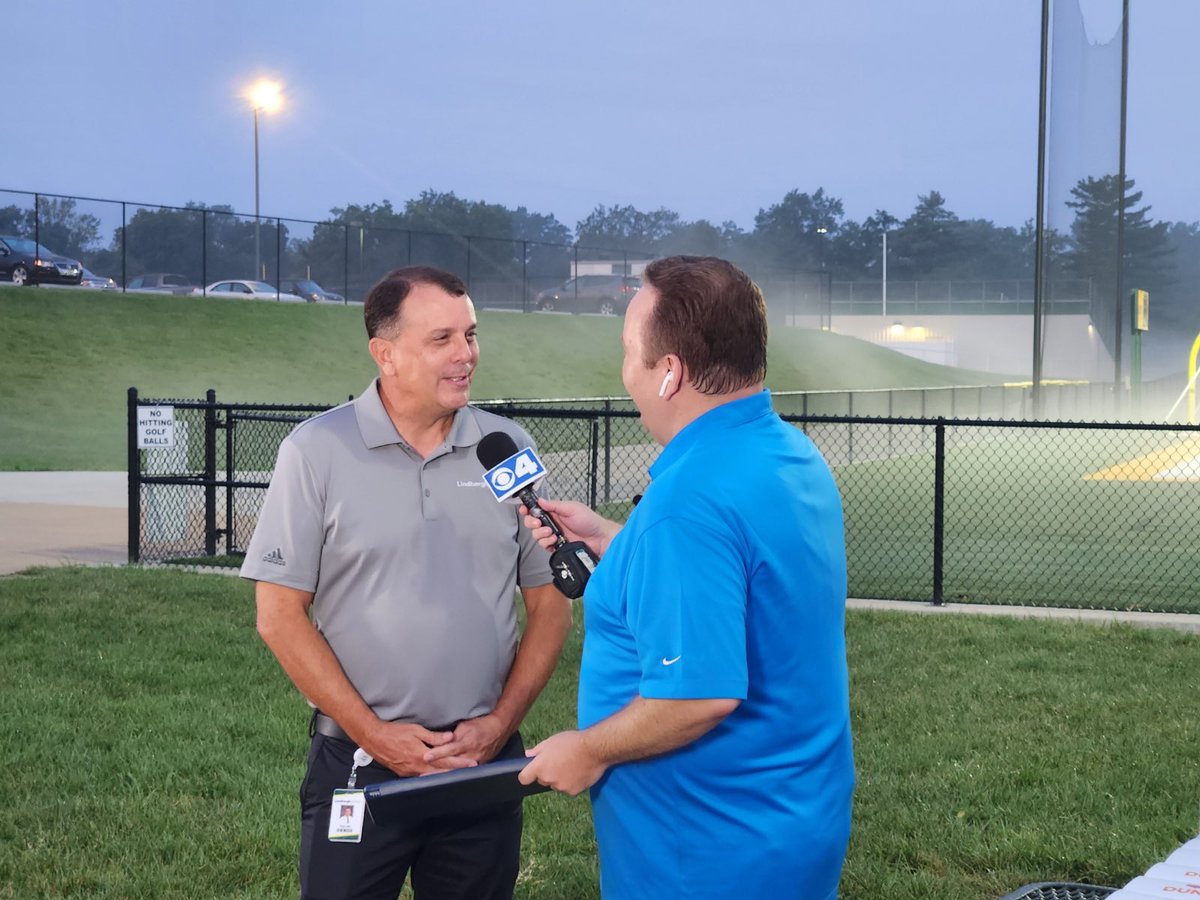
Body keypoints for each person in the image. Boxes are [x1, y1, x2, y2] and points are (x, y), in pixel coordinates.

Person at [517, 256, 855, 899]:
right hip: (793, 817)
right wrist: (618, 543)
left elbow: (698, 696)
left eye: (629, 353)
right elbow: (740, 583)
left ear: (669, 372)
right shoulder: (787, 453)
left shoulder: (688, 506)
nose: (624, 373)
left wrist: (586, 751)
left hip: (705, 850)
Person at [241, 265, 571, 900]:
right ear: (384, 354)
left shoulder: (505, 448)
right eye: (442, 339)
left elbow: (550, 604)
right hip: (361, 764)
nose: (466, 355)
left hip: (482, 763)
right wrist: (375, 735)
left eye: (470, 335)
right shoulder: (316, 452)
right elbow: (278, 615)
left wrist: (500, 724)